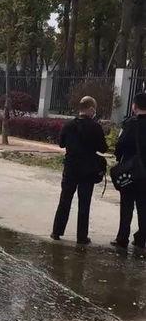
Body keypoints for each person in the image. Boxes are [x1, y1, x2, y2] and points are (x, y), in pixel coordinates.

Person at [51, 96, 108, 245]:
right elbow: (103, 148)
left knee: (65, 200)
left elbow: (61, 144)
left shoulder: (68, 125)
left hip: (70, 167)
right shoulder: (95, 127)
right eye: (94, 110)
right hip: (88, 170)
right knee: (84, 203)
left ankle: (56, 231)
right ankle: (82, 236)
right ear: (91, 109)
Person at [111, 92, 146, 250]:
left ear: (134, 106)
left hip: (131, 171)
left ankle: (122, 238)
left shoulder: (130, 124)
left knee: (126, 205)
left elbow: (120, 145)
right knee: (143, 206)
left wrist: (120, 159)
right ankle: (141, 239)